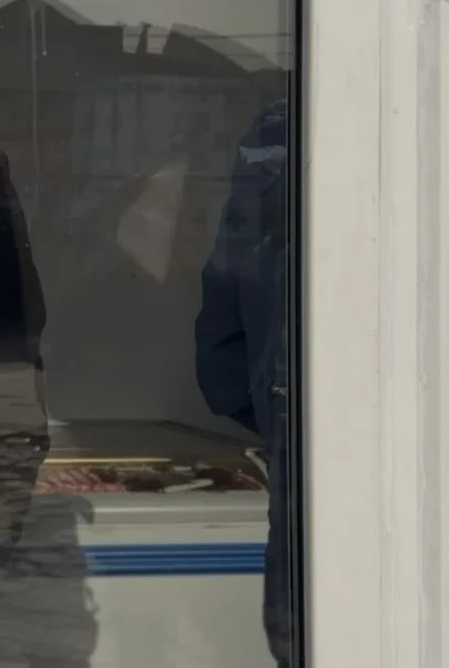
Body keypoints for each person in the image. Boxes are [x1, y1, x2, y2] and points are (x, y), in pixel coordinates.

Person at [194, 98, 292, 668]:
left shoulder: (271, 147)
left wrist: (276, 421)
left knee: (301, 626)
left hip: (294, 438)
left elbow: (222, 363)